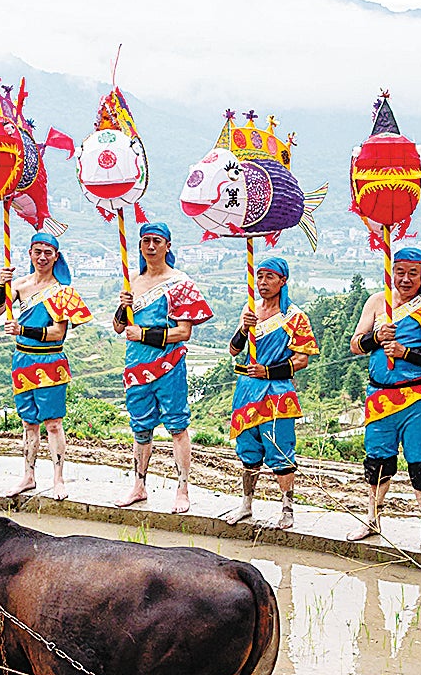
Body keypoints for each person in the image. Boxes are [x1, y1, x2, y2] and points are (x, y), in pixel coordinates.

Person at [345, 245, 421, 551]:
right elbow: (356, 345)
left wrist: (405, 352)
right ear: (391, 272)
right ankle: (372, 518)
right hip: (379, 397)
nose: (406, 278)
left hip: (416, 398)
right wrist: (377, 337)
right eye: (400, 272)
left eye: (413, 273)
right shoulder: (377, 302)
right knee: (377, 463)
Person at [112, 222, 213, 512]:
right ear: (140, 246)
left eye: (157, 241)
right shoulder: (131, 281)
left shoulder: (179, 283)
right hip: (136, 365)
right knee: (140, 428)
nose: (151, 246)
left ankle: (182, 488)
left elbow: (184, 332)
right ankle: (139, 485)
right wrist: (123, 306)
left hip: (169, 365)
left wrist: (144, 334)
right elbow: (119, 327)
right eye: (146, 241)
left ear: (168, 245)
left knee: (177, 427)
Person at [0, 231, 91, 498]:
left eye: (48, 252)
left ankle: (58, 478)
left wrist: (22, 328)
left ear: (56, 256)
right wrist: (1, 284)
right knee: (28, 423)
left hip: (50, 360)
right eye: (38, 252)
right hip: (22, 360)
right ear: (30, 254)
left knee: (53, 424)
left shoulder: (62, 291)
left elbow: (58, 332)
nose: (42, 257)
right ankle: (28, 476)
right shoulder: (20, 285)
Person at [222, 256, 317, 528]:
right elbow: (233, 349)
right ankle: (246, 505)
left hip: (277, 392)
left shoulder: (294, 317)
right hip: (247, 390)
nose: (263, 282)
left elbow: (302, 359)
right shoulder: (249, 309)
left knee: (280, 451)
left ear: (282, 281)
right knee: (248, 451)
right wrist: (244, 328)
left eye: (269, 277)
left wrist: (269, 371)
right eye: (259, 276)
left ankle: (287, 508)